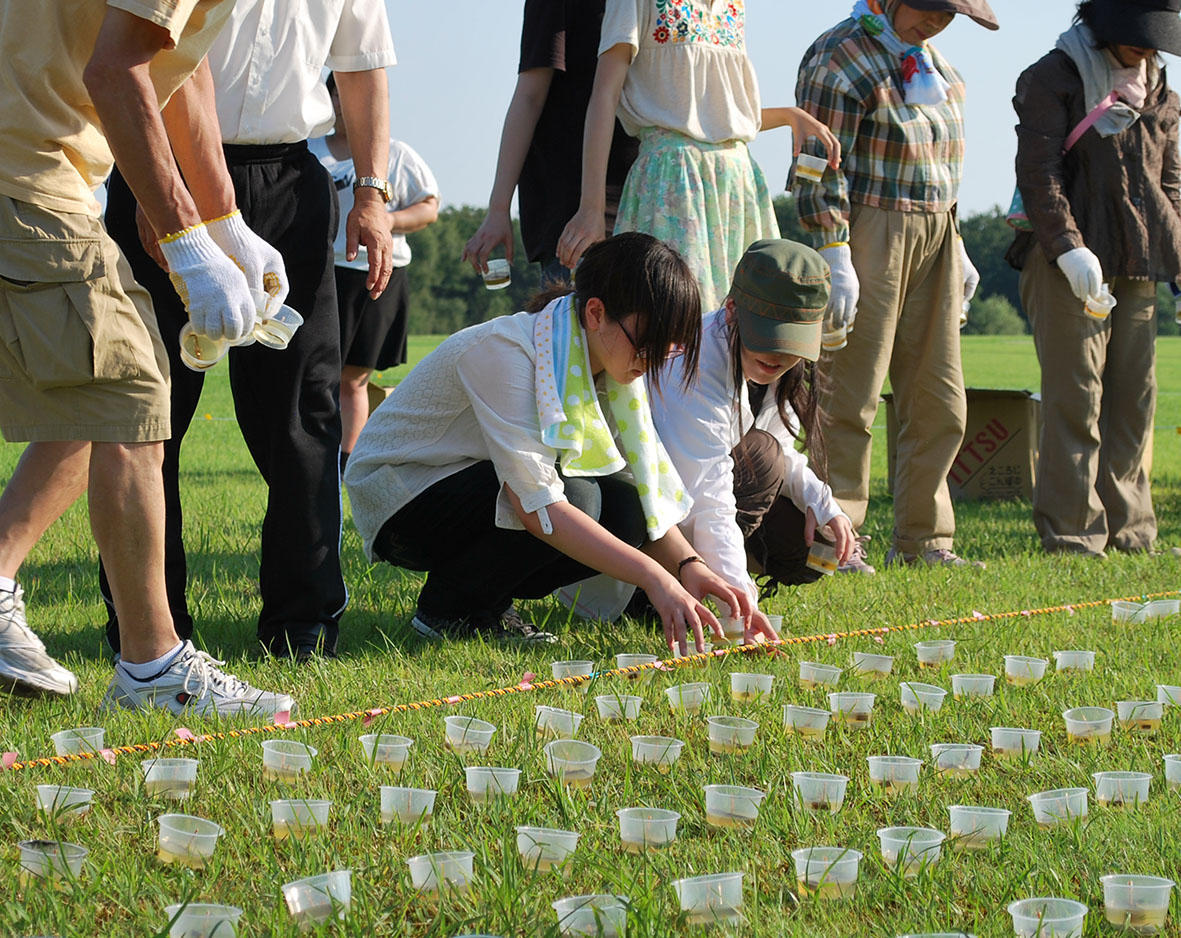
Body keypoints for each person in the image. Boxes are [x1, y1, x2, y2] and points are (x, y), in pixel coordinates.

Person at [0, 1, 292, 715]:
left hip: (30, 162)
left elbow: (169, 62)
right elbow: (116, 66)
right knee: (130, 389)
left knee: (91, 393)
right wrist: (185, 238)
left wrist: (219, 215)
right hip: (25, 168)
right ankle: (152, 669)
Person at [99, 1, 396, 661]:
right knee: (149, 416)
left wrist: (372, 196)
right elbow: (141, 56)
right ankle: (148, 630)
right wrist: (159, 192)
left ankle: (302, 626)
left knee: (305, 416)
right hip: (162, 162)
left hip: (292, 180)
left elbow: (363, 66)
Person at [345, 233, 775, 655]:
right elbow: (537, 506)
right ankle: (450, 608)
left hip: (464, 485)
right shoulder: (506, 352)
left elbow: (646, 495)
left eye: (669, 347)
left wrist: (689, 567)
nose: (655, 360)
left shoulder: (611, 365)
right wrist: (653, 577)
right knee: (579, 497)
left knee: (624, 507)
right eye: (647, 343)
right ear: (595, 312)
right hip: (397, 497)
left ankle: (485, 604)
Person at [794, 0, 999, 571]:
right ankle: (837, 537)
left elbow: (946, 169)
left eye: (950, 13)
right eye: (929, 6)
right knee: (849, 394)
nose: (937, 20)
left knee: (940, 398)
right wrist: (833, 247)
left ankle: (925, 538)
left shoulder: (940, 69)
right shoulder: (841, 55)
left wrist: (956, 247)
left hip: (937, 230)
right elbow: (816, 162)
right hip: (869, 228)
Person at [1008, 0, 1181, 557]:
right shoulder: (1050, 76)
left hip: (1140, 263)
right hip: (1068, 262)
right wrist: (1068, 248)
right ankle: (1073, 534)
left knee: (1134, 400)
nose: (1148, 48)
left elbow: (1170, 186)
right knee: (1076, 397)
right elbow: (1040, 173)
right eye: (1139, 35)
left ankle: (1131, 531)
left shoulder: (1158, 88)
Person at [556, 0, 840, 311]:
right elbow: (604, 96)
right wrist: (591, 209)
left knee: (743, 327)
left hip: (737, 185)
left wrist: (789, 115)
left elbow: (714, 116)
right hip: (673, 181)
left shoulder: (734, 6)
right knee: (674, 322)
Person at [650, 240, 857, 622]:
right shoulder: (694, 368)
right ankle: (663, 593)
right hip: (659, 527)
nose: (778, 356)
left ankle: (706, 584)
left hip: (704, 508)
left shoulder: (779, 374)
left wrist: (822, 503)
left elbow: (780, 445)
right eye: (767, 334)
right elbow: (708, 500)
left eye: (791, 340)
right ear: (731, 311)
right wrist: (741, 606)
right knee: (761, 459)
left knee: (814, 547)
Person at [311, 74, 440, 466]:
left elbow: (429, 205)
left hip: (375, 274)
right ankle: (313, 455)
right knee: (316, 376)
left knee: (352, 378)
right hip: (317, 273)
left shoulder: (396, 154)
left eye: (349, 93)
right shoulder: (307, 150)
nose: (341, 102)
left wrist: (386, 222)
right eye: (334, 93)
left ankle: (348, 462)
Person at [463, 0, 638, 285]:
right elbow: (529, 96)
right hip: (574, 213)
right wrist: (498, 209)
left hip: (653, 193)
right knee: (575, 326)